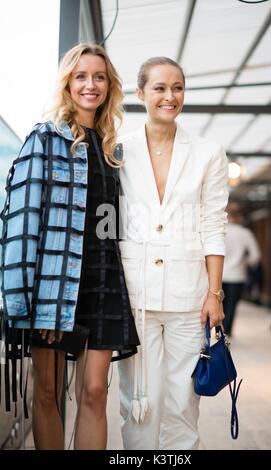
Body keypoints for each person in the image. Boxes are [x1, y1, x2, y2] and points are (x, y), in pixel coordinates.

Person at [1, 43, 139, 450]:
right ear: (67, 83)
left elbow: (112, 225)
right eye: (81, 76)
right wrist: (24, 301)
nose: (90, 85)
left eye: (98, 77)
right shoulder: (44, 139)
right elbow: (21, 223)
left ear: (109, 85)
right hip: (55, 283)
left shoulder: (113, 150)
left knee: (94, 393)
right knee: (48, 393)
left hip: (102, 281)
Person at [117, 57, 228, 450]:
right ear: (140, 93)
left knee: (184, 404)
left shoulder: (208, 152)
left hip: (189, 297)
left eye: (177, 87)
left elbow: (214, 224)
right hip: (136, 295)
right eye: (160, 88)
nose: (170, 96)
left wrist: (214, 293)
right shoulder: (118, 150)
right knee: (138, 404)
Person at [222, 204, 260, 337]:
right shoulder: (245, 234)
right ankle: (227, 332)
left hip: (219, 275)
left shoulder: (220, 231)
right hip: (237, 275)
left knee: (221, 304)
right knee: (232, 305)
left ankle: (218, 331)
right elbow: (255, 256)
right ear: (240, 217)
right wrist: (244, 262)